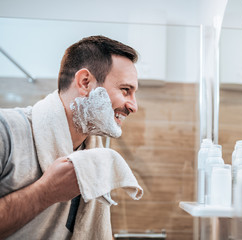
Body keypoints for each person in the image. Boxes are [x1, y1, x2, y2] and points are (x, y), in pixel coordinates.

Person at [0, 35, 139, 239]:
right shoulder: (6, 130)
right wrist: (44, 193)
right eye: (125, 90)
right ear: (85, 83)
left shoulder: (91, 152)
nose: (133, 106)